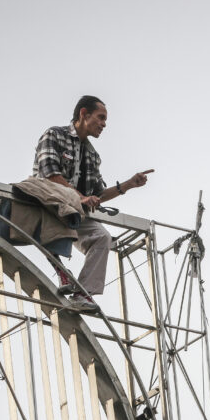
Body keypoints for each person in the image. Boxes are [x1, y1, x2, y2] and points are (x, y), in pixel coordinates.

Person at [33, 95, 154, 312]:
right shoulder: (55, 135)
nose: (104, 124)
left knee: (102, 237)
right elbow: (49, 175)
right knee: (66, 211)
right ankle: (60, 268)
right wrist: (80, 197)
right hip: (48, 202)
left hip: (74, 211)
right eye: (100, 118)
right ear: (83, 114)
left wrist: (128, 184)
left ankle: (82, 293)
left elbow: (98, 194)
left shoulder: (92, 155)